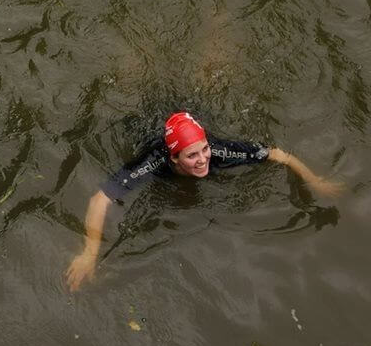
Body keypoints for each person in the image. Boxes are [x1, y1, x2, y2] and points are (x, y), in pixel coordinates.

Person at [65, 112, 345, 292]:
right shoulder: (154, 162)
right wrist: (90, 253)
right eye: (192, 156)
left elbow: (279, 155)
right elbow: (99, 199)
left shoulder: (218, 152)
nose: (203, 161)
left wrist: (315, 180)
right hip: (145, 126)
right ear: (174, 158)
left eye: (204, 150)